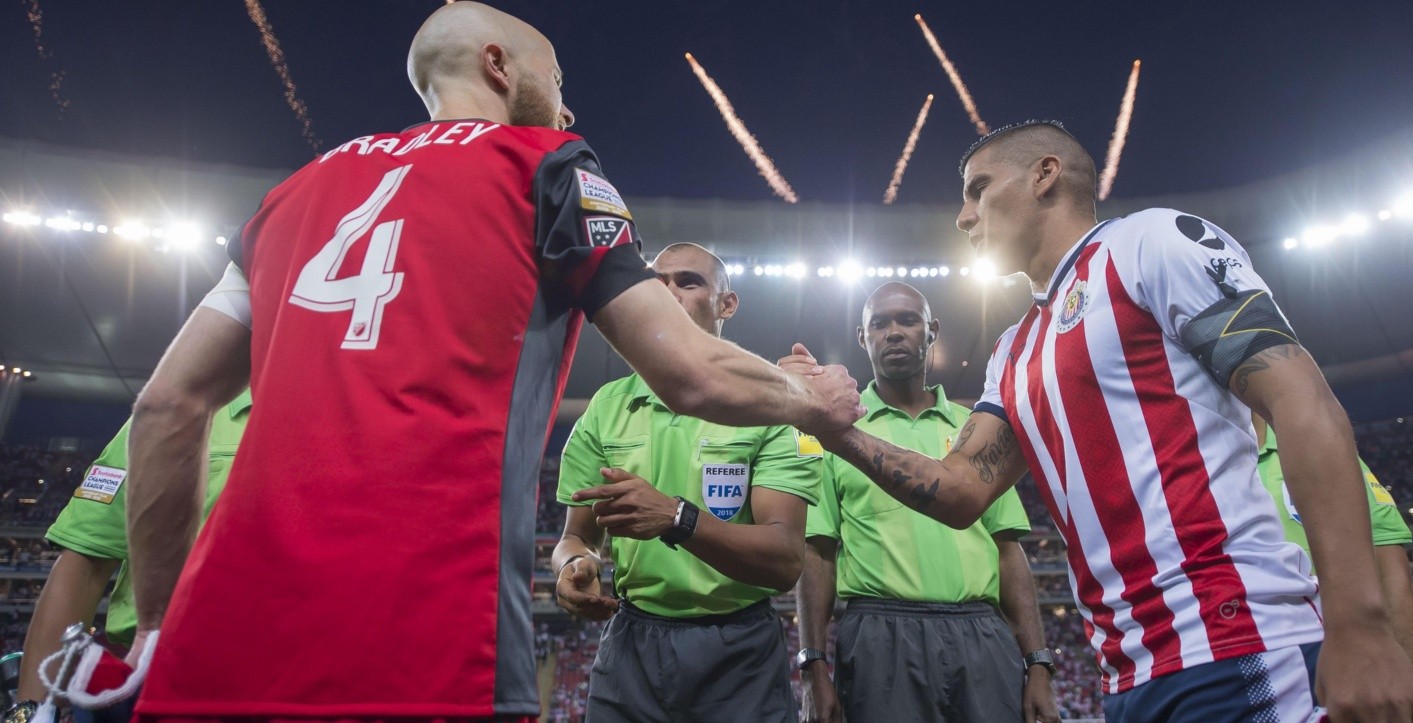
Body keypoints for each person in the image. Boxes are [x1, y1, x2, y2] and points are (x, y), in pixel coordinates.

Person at [122, 4, 862, 722]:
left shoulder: (291, 194)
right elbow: (689, 370)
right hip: (435, 648)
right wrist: (807, 396)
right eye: (559, 80)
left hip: (220, 653)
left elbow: (166, 406)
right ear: (498, 66)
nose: (567, 111)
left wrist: (157, 628)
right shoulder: (549, 167)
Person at [791, 120, 1413, 722]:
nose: (963, 216)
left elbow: (1303, 403)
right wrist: (832, 428)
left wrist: (1359, 625)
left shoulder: (1150, 242)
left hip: (1239, 638)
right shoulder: (1013, 351)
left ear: (1046, 175)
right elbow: (960, 492)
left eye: (979, 190)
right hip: (1127, 673)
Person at [552, 243, 821, 723]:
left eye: (688, 282)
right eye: (657, 282)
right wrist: (575, 565)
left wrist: (676, 518)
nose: (668, 292)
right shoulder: (606, 405)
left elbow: (784, 561)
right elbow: (577, 536)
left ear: (727, 304)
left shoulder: (773, 404)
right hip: (630, 640)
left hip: (737, 649)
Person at [796, 282, 1059, 723]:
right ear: (863, 338)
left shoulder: (978, 428)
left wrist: (1038, 662)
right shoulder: (832, 431)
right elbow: (816, 552)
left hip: (982, 630)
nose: (894, 332)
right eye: (879, 324)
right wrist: (812, 665)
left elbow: (1008, 550)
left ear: (932, 330)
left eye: (908, 320)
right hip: (880, 633)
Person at [7, 393, 248, 723]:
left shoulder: (333, 412)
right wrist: (31, 711)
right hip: (155, 681)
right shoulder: (168, 410)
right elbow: (84, 562)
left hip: (306, 678)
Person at [1251, 413, 1413, 682]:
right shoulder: (1183, 466)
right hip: (1236, 671)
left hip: (1343, 676)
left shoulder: (1319, 447)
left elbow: (1392, 578)